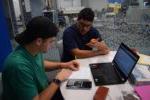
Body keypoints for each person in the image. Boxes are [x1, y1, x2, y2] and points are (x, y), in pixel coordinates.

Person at [2, 16, 79, 100]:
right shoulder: (18, 67)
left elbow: (39, 63)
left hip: (42, 89)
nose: (53, 45)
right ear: (39, 41)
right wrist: (57, 79)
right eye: (51, 41)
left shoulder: (32, 49)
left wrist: (63, 65)